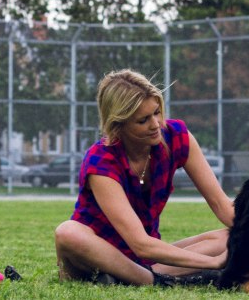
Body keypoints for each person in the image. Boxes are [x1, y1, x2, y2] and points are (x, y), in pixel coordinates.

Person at [54, 69, 233, 286]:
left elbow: (222, 204)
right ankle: (153, 280)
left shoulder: (176, 136)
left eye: (157, 112)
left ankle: (133, 278)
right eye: (143, 120)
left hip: (145, 261)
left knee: (232, 236)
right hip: (95, 256)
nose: (156, 124)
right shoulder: (100, 161)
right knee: (68, 232)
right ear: (118, 124)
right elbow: (140, 244)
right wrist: (213, 263)